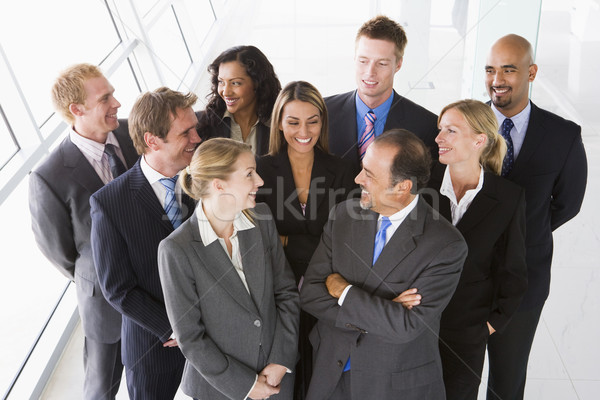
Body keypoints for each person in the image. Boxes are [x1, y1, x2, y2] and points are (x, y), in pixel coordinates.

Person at [300, 130, 467, 400]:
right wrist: (384, 310)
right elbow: (310, 294)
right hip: (330, 376)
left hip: (393, 385)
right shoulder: (343, 215)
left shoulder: (446, 245)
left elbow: (406, 326)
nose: (358, 179)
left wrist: (344, 292)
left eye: (369, 174)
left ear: (402, 187)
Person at [483, 34, 588, 400]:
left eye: (508, 70)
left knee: (507, 380)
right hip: (464, 277)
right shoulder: (462, 126)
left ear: (532, 72)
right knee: (454, 375)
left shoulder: (563, 135)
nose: (497, 79)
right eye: (491, 69)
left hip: (525, 276)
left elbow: (568, 203)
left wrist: (522, 232)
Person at [158, 138, 300, 400]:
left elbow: (287, 294)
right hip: (220, 390)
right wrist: (246, 385)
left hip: (276, 381)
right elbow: (190, 337)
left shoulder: (262, 219)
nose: (259, 181)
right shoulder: (176, 249)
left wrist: (281, 359)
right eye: (249, 174)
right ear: (219, 184)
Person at [29, 63, 138, 400]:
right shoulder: (49, 175)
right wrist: (103, 274)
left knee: (152, 376)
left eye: (114, 94)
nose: (117, 103)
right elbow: (60, 253)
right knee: (101, 389)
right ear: (77, 109)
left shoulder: (134, 132)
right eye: (106, 98)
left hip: (158, 285)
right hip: (105, 303)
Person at [90, 87, 201, 399]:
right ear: (153, 140)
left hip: (215, 341)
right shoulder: (110, 203)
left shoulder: (205, 182)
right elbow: (117, 288)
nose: (197, 139)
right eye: (186, 132)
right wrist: (175, 327)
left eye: (195, 128)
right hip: (155, 348)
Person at [255, 80, 356, 399]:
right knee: (279, 379)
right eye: (293, 121)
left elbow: (345, 238)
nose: (304, 131)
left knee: (319, 374)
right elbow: (257, 235)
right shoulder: (259, 169)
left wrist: (285, 240)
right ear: (279, 122)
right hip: (273, 292)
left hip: (326, 289)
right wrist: (300, 241)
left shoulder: (341, 170)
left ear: (323, 122)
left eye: (313, 121)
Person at [422, 99, 527, 399]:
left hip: (467, 336)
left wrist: (487, 328)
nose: (439, 138)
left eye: (451, 131)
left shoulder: (508, 198)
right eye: (440, 130)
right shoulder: (419, 187)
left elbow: (513, 273)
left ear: (479, 140)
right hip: (413, 327)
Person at [325, 15, 438, 176]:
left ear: (398, 64)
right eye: (363, 61)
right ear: (354, 58)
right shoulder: (322, 113)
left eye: (382, 64)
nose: (370, 72)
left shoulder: (426, 126)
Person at [198, 45, 282, 156]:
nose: (226, 92)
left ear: (257, 83)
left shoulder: (280, 124)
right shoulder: (202, 124)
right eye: (221, 82)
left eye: (235, 83)